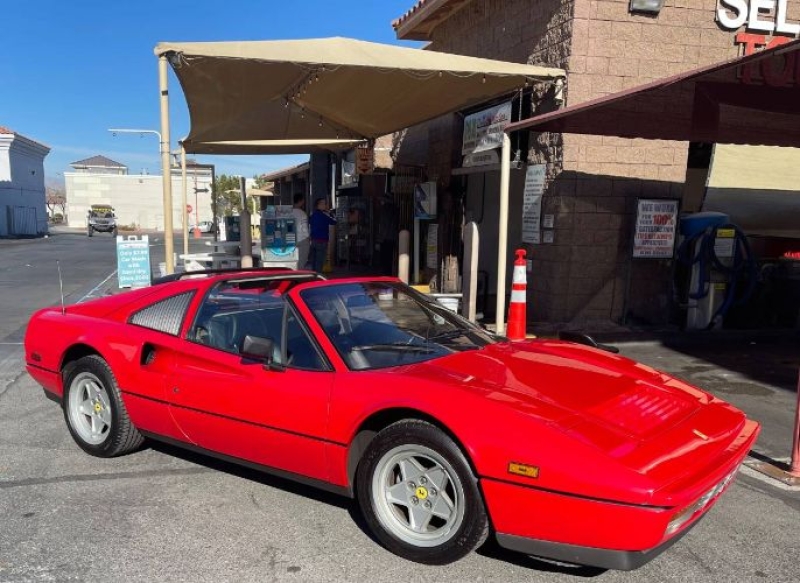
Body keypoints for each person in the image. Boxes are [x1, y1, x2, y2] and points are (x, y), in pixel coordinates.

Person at [308, 197, 337, 272]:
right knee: (319, 261)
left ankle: (313, 276)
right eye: (324, 204)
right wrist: (330, 213)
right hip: (322, 241)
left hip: (313, 241)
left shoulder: (313, 215)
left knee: (314, 261)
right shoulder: (324, 216)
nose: (326, 205)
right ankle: (318, 278)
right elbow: (334, 221)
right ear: (319, 205)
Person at [291, 193, 310, 269]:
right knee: (302, 261)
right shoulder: (302, 213)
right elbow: (304, 228)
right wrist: (308, 238)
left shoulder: (289, 212)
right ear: (301, 201)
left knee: (293, 260)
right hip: (302, 239)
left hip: (291, 240)